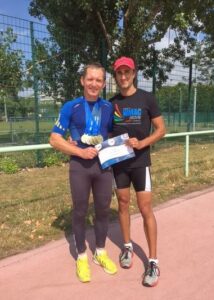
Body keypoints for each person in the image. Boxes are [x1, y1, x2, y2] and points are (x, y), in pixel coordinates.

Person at [50, 62, 117, 283]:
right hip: (79, 167)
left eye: (99, 80)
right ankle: (81, 257)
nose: (94, 84)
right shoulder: (71, 106)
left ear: (104, 83)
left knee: (103, 210)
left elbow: (115, 133)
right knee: (79, 211)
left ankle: (100, 252)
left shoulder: (108, 107)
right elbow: (54, 139)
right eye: (90, 79)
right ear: (82, 80)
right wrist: (77, 151)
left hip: (103, 167)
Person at [110, 56, 166, 287]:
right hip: (119, 165)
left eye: (127, 72)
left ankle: (153, 261)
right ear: (115, 77)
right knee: (123, 204)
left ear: (134, 74)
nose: (123, 77)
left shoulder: (147, 98)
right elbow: (103, 132)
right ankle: (127, 247)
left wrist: (143, 143)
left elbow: (161, 129)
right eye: (119, 73)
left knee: (145, 209)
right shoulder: (110, 103)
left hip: (141, 163)